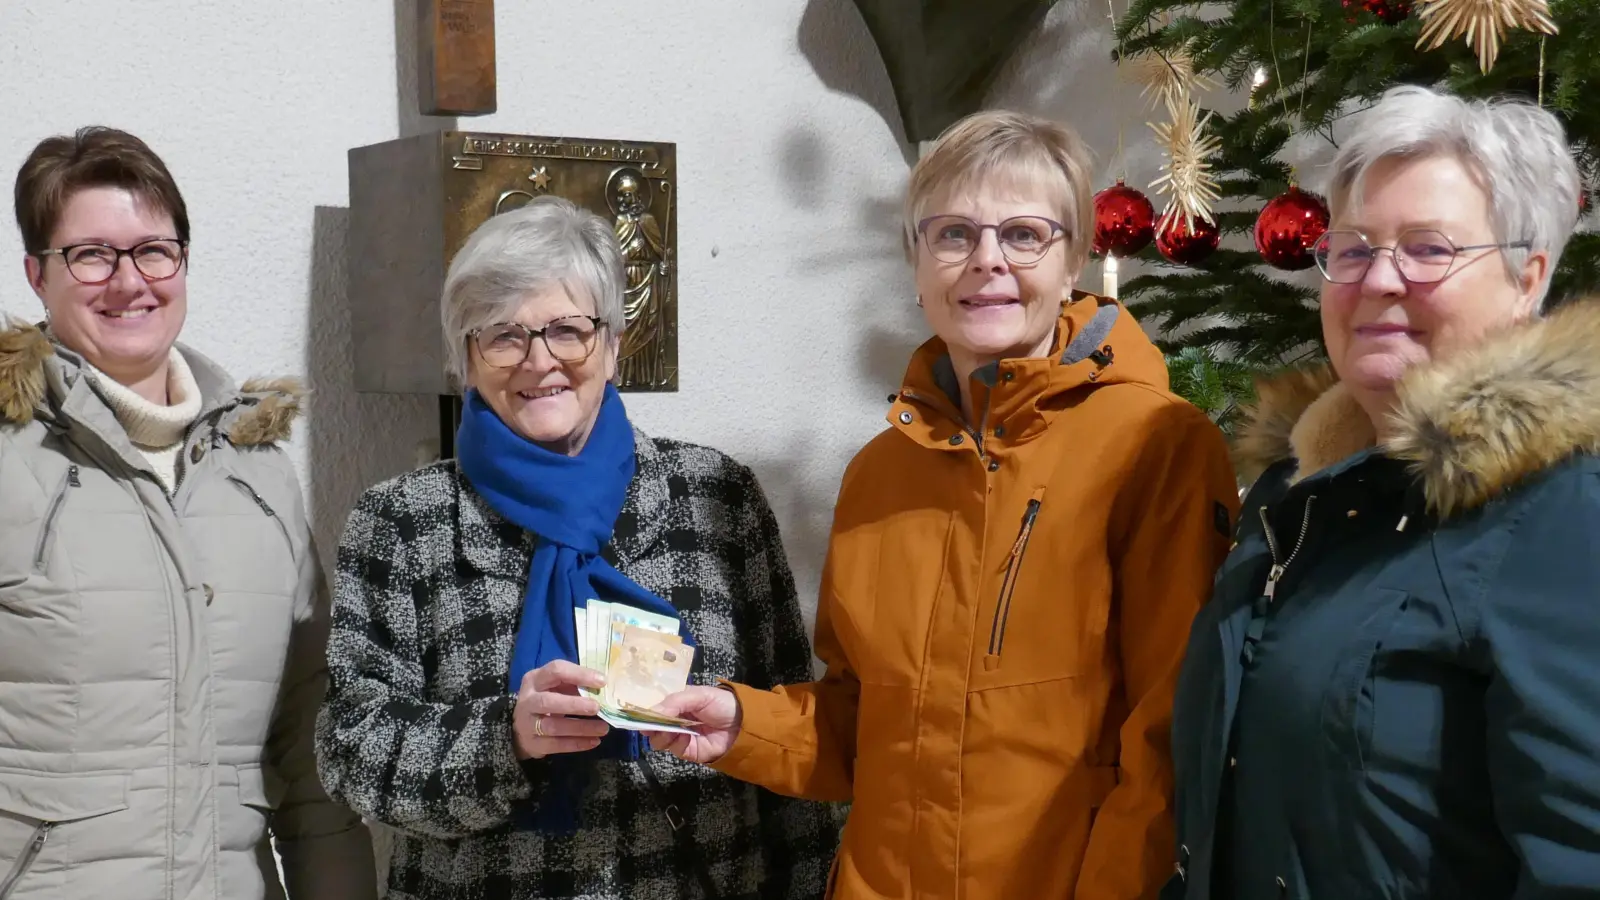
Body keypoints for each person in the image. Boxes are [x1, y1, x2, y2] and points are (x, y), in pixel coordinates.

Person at [650, 110, 1240, 899]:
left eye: (1025, 234)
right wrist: (739, 725)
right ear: (917, 264)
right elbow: (862, 724)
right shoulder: (880, 473)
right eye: (954, 234)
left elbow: (1173, 737)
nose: (987, 261)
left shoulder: (1157, 445)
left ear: (1073, 264)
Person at [314, 195, 845, 900]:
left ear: (614, 345)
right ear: (465, 362)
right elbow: (350, 749)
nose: (540, 361)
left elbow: (794, 733)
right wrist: (505, 736)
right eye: (503, 335)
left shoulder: (716, 496)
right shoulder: (403, 522)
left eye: (569, 330)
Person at [1164, 84, 1600, 899]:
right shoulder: (1293, 495)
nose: (1378, 280)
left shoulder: (1564, 512)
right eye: (1354, 248)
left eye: (1430, 249)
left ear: (1526, 278)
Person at [0, 127, 376, 899]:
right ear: (38, 275)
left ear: (182, 261)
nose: (128, 280)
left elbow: (309, 749)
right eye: (91, 254)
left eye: (152, 250)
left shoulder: (258, 474)